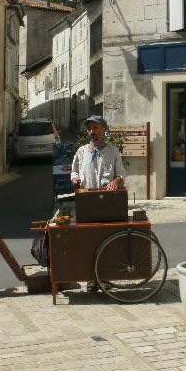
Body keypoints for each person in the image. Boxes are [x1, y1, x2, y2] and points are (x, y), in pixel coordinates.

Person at [71, 115, 126, 292]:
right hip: (87, 201)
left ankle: (106, 277)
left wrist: (115, 182)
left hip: (106, 201)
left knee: (107, 239)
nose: (92, 132)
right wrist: (76, 179)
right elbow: (73, 172)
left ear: (103, 129)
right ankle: (91, 279)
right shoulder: (82, 151)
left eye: (95, 128)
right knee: (88, 240)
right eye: (90, 129)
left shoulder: (113, 151)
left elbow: (122, 175)